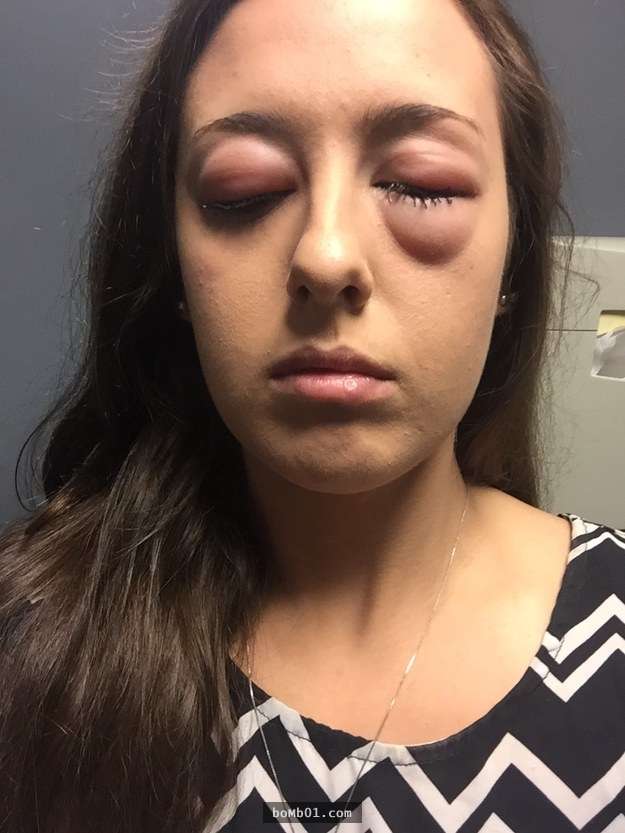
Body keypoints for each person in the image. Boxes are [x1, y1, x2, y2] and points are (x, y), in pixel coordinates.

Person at [1, 0, 623, 830]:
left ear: (512, 260)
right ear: (174, 266)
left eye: (420, 184)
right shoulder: (27, 648)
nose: (325, 255)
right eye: (244, 190)